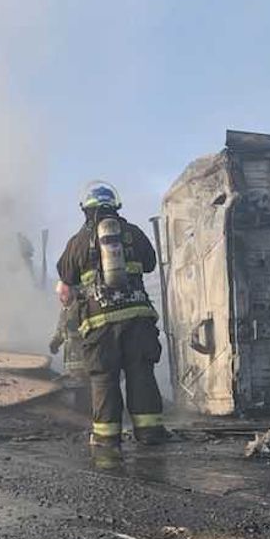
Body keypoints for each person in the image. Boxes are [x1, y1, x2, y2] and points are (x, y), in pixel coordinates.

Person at [56, 180, 168, 468]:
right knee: (141, 374)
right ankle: (150, 432)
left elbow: (65, 275)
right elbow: (150, 263)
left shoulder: (78, 241)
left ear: (85, 210)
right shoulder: (133, 233)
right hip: (138, 320)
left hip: (100, 324)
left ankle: (106, 440)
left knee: (104, 380)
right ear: (115, 206)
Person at [49, 297, 90, 413]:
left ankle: (88, 413)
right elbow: (61, 330)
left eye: (64, 292)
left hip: (85, 359)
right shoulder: (65, 310)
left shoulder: (84, 306)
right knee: (78, 387)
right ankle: (81, 412)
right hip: (72, 359)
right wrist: (55, 342)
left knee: (85, 388)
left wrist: (76, 329)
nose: (60, 296)